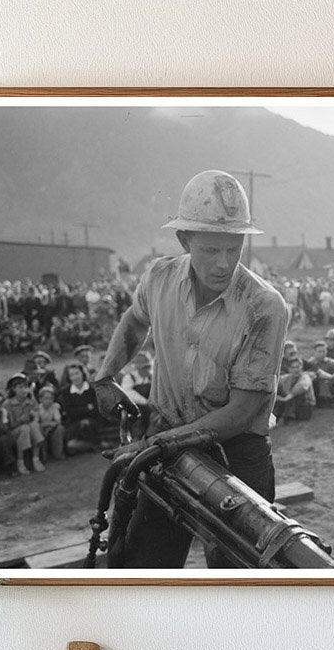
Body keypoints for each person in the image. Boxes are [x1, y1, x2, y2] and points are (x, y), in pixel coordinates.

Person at [93, 169, 289, 568]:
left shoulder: (264, 306)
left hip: (235, 455)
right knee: (146, 567)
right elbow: (134, 322)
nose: (224, 263)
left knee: (240, 581)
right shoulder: (159, 278)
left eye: (234, 249)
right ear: (185, 240)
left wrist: (150, 447)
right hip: (166, 437)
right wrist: (105, 375)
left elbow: (241, 412)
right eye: (210, 250)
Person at [4, 373, 45, 475]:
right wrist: (21, 420)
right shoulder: (8, 404)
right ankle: (20, 461)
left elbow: (37, 416)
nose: (24, 390)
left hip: (30, 428)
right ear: (13, 389)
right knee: (25, 428)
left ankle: (36, 458)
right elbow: (9, 426)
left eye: (26, 387)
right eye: (20, 387)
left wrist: (34, 416)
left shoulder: (31, 400)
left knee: (34, 425)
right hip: (15, 432)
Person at [58, 361, 100, 453]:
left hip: (93, 422)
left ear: (83, 373)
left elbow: (97, 410)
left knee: (86, 424)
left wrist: (79, 410)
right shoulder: (66, 392)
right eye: (72, 375)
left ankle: (95, 444)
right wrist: (87, 408)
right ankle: (96, 445)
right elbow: (70, 413)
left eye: (77, 373)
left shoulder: (92, 389)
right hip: (74, 424)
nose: (75, 377)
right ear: (69, 377)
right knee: (71, 446)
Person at [304, 340, 334, 408]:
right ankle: (328, 402)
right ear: (314, 352)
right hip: (317, 387)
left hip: (330, 382)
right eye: (319, 351)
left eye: (324, 351)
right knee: (323, 380)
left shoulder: (329, 361)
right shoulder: (310, 363)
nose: (322, 354)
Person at [274, 357, 316, 422]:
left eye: (298, 367)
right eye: (293, 368)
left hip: (305, 408)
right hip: (292, 403)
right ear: (289, 369)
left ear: (301, 367)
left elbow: (301, 387)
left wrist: (282, 399)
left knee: (296, 396)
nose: (296, 369)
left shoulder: (305, 377)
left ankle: (285, 416)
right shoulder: (288, 377)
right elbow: (278, 380)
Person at [35, 384, 66, 462]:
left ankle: (58, 452)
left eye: (51, 399)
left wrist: (49, 424)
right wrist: (49, 423)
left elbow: (58, 421)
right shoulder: (38, 408)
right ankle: (43, 455)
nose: (49, 401)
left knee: (60, 428)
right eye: (46, 398)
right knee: (39, 429)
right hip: (41, 429)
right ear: (40, 399)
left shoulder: (54, 407)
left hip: (51, 430)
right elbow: (37, 423)